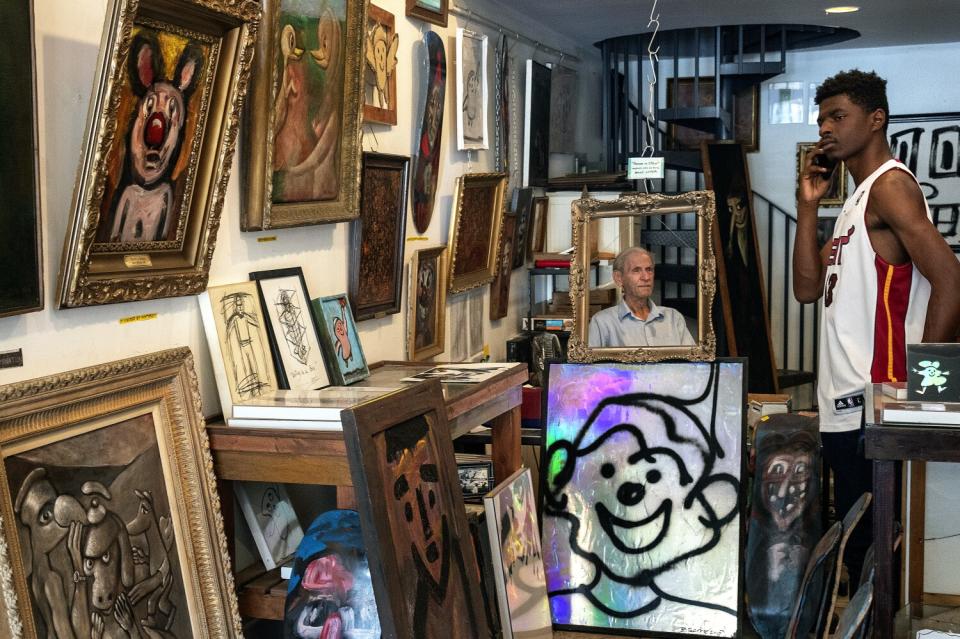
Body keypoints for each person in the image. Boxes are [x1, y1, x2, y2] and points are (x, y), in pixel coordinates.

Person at [793, 69, 960, 584]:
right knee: (861, 551)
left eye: (838, 116)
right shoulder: (857, 199)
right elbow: (806, 288)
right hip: (844, 404)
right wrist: (806, 207)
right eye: (821, 118)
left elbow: (951, 279)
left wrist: (923, 396)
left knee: (877, 560)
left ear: (875, 119)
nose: (826, 128)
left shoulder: (890, 186)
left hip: (879, 403)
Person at [588, 247, 695, 347]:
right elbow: (590, 366)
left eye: (649, 269)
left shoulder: (673, 318)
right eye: (636, 270)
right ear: (619, 278)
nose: (646, 277)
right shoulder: (602, 322)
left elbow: (693, 364)